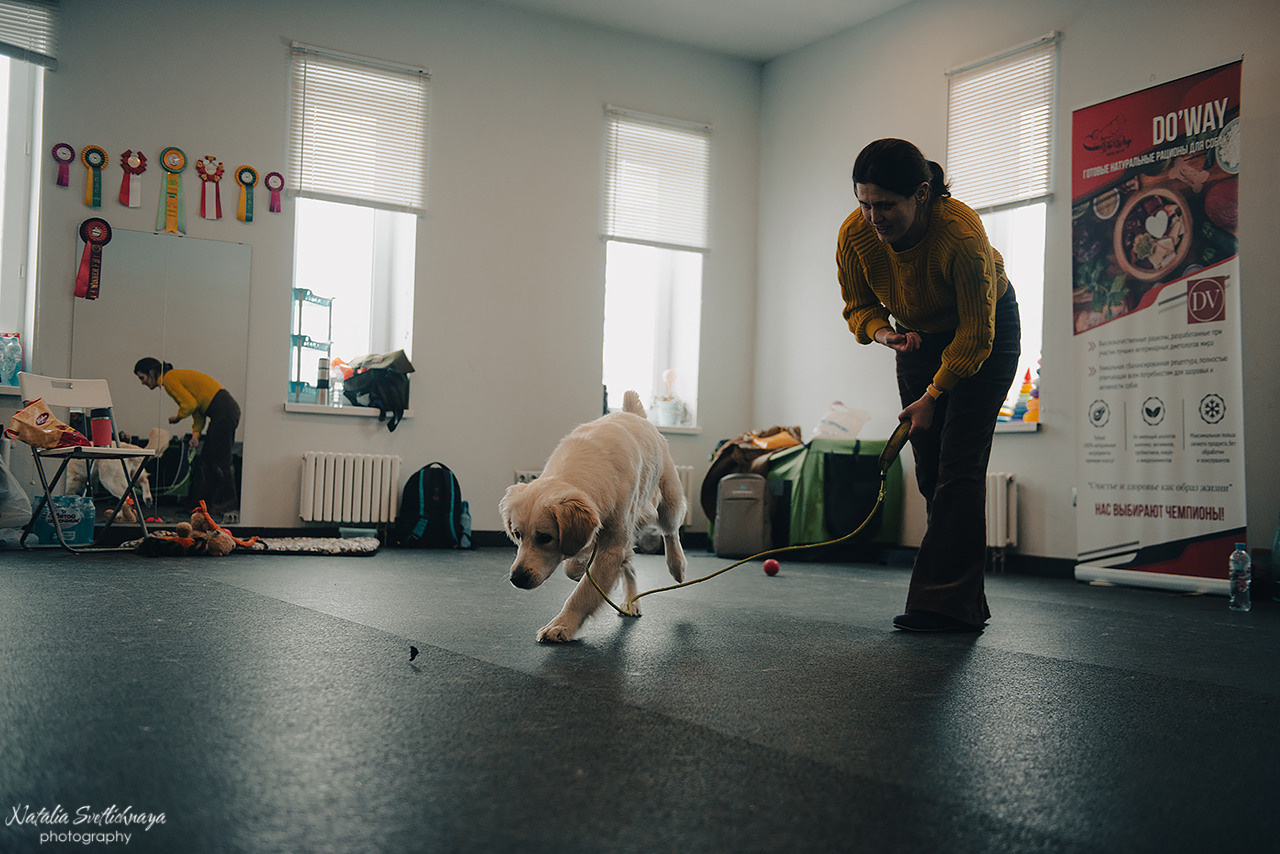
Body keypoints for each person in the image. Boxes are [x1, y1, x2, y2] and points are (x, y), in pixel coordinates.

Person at [837, 139, 1021, 632]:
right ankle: (963, 599)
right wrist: (885, 334)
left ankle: (940, 605)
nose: (873, 217)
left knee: (959, 466)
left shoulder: (960, 233)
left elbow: (976, 336)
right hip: (918, 337)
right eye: (864, 203)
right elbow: (859, 306)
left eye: (885, 205)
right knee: (930, 468)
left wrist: (933, 396)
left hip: (986, 331)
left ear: (921, 194)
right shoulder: (855, 234)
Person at [134, 357, 241, 513]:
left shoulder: (168, 379)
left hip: (224, 411)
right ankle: (201, 505)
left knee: (219, 459)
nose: (142, 383)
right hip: (224, 410)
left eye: (142, 378)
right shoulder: (172, 378)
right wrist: (196, 434)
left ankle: (228, 501)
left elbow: (189, 405)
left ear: (151, 372)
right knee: (206, 459)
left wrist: (178, 417)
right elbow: (197, 410)